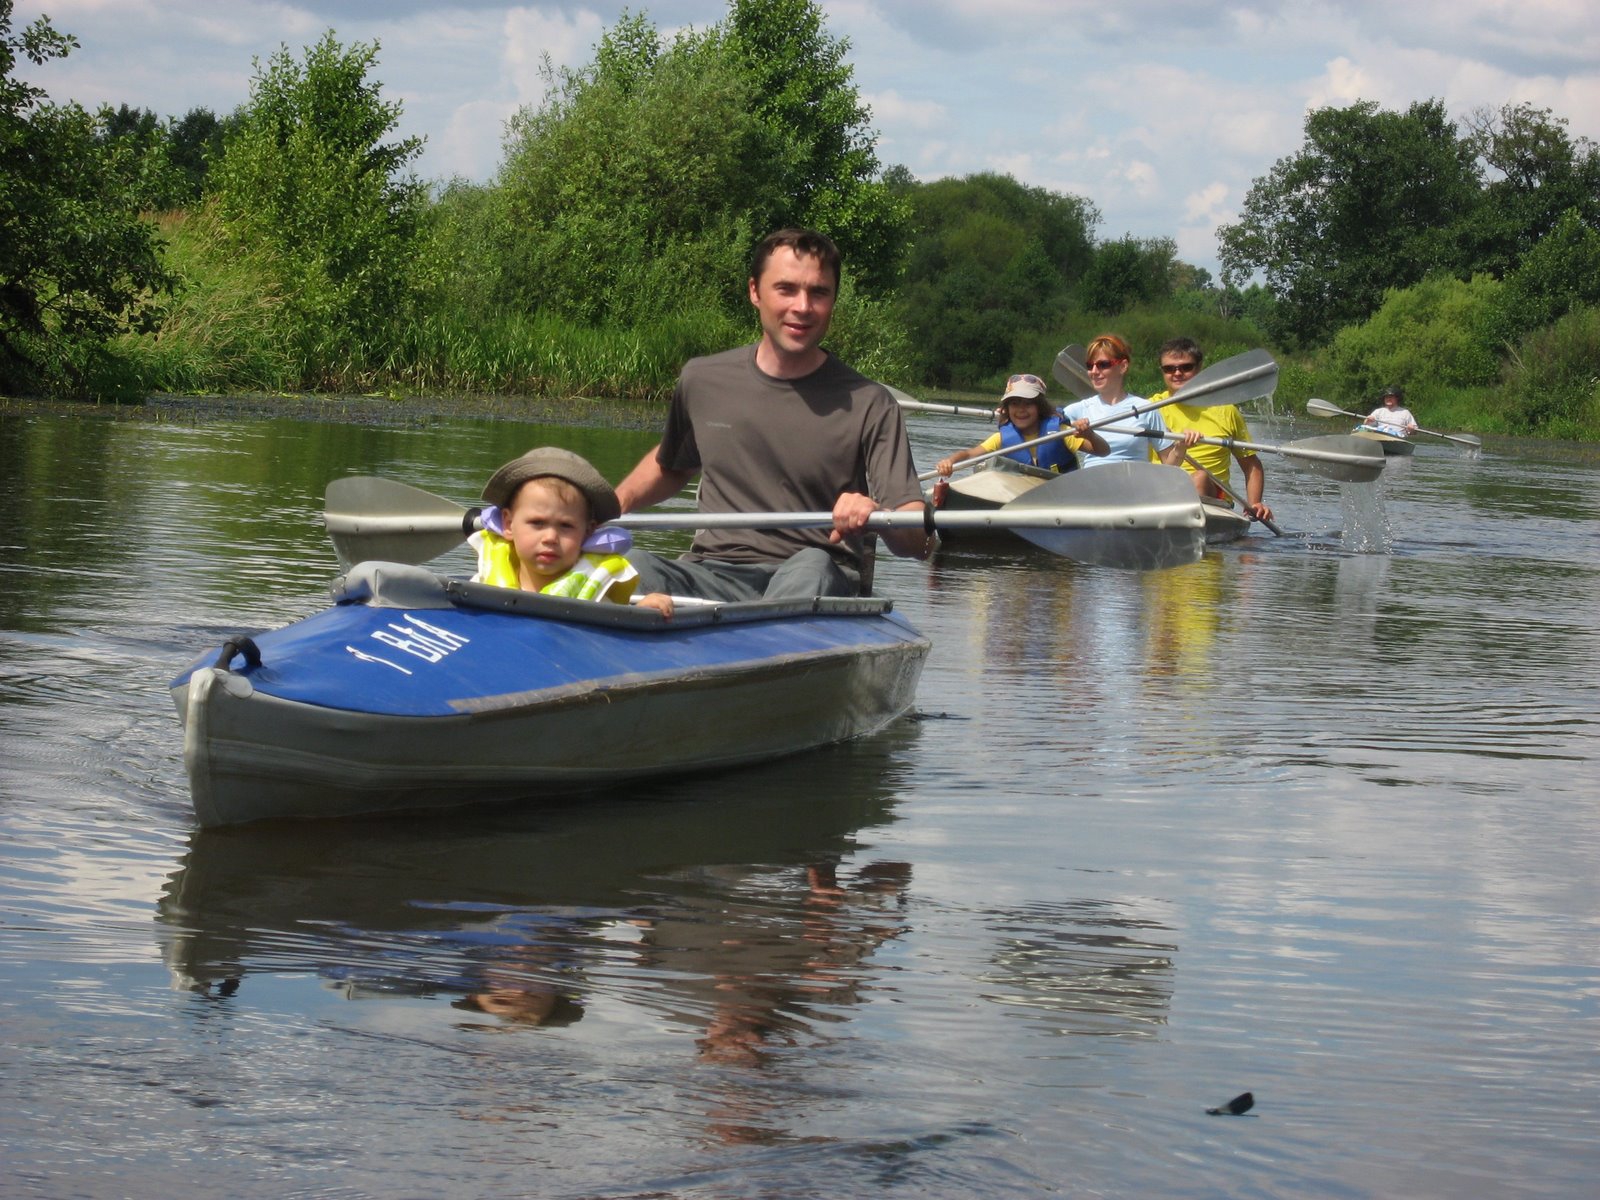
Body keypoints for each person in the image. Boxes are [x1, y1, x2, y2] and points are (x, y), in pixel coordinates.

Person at [615, 228, 933, 601]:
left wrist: (876, 513)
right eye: (786, 289)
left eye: (818, 292)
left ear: (833, 300)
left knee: (810, 567)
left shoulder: (872, 403)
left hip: (816, 576)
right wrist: (611, 504)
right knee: (628, 567)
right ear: (755, 292)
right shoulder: (702, 379)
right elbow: (672, 466)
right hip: (710, 573)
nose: (802, 306)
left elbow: (919, 543)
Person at [471, 446, 674, 616]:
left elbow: (616, 634)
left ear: (588, 531)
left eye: (566, 526)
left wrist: (642, 612)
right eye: (537, 523)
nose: (550, 537)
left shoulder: (597, 594)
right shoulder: (481, 583)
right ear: (508, 524)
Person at [1149, 337, 1274, 524]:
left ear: (1199, 368)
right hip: (1162, 495)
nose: (1177, 373)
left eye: (1186, 367)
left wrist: (1254, 503)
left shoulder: (1226, 411)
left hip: (1214, 498)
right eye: (1169, 369)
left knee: (1199, 478)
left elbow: (1251, 465)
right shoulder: (1150, 408)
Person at [933, 373, 1108, 478]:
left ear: (1039, 407)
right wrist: (950, 461)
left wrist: (1089, 434)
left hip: (1061, 496)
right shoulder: (1001, 439)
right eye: (1015, 404)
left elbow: (1103, 451)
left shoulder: (1061, 432)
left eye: (1028, 403)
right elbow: (969, 454)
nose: (1021, 410)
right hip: (1024, 498)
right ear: (1006, 409)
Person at [1059, 333, 1170, 466]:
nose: (1093, 371)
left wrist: (1180, 448)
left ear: (1123, 366)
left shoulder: (1145, 408)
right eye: (1089, 365)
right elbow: (1046, 424)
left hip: (1134, 481)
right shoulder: (1076, 410)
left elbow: (1169, 463)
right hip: (1094, 483)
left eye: (1103, 365)